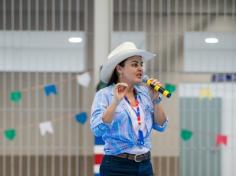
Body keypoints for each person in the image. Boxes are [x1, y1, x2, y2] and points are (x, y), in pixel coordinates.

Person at [90, 42, 168, 176]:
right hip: (116, 166)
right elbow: (97, 129)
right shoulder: (104, 95)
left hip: (145, 166)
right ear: (119, 69)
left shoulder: (145, 93)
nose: (140, 69)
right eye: (134, 64)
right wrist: (115, 102)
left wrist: (156, 100)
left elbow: (162, 126)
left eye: (141, 64)